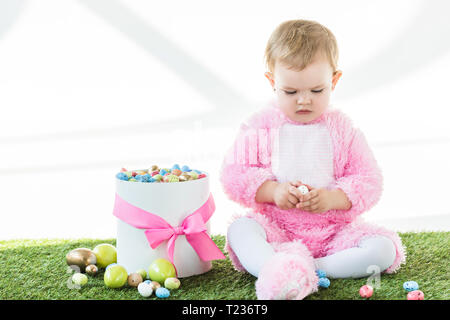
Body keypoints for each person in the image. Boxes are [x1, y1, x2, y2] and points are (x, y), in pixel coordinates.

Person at [220, 19, 406, 300]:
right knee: (240, 229)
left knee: (383, 249)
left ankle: (306, 270)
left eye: (316, 91)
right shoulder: (260, 127)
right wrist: (273, 191)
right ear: (272, 82)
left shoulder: (344, 130)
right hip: (277, 231)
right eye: (291, 92)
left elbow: (368, 181)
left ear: (334, 80)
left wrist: (332, 199)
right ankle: (276, 265)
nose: (303, 101)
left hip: (335, 233)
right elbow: (234, 175)